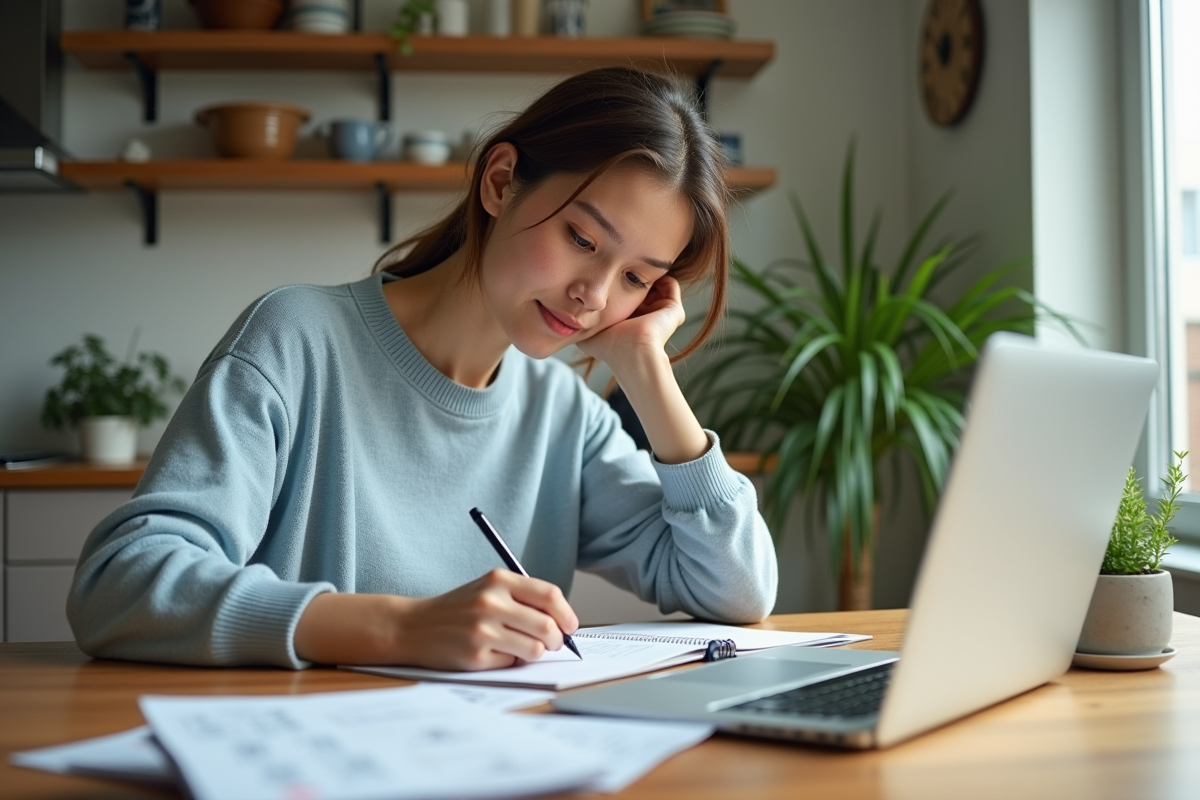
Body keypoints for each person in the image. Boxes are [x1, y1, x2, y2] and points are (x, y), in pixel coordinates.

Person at [67, 66, 777, 670]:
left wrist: (646, 369)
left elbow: (739, 591)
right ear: (501, 182)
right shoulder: (297, 340)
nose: (593, 296)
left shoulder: (565, 417)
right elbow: (118, 586)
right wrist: (398, 629)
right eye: (582, 238)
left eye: (635, 279)